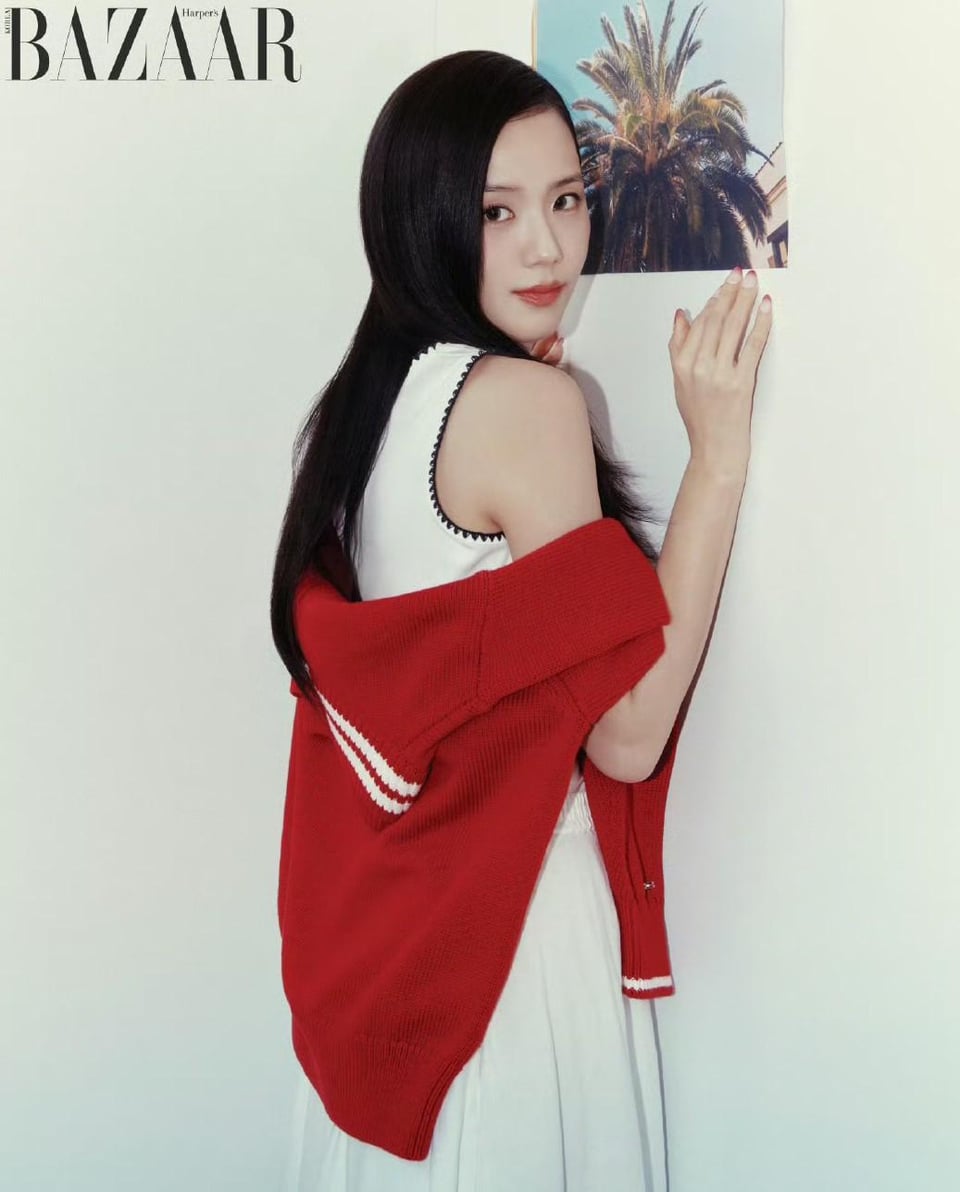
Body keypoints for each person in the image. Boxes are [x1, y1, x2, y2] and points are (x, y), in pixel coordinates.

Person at [271, 48, 772, 1192]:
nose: (547, 246)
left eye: (566, 199)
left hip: (398, 971)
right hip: (513, 956)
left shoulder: (363, 408)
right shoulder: (525, 406)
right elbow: (628, 732)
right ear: (422, 218)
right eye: (498, 212)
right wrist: (718, 458)